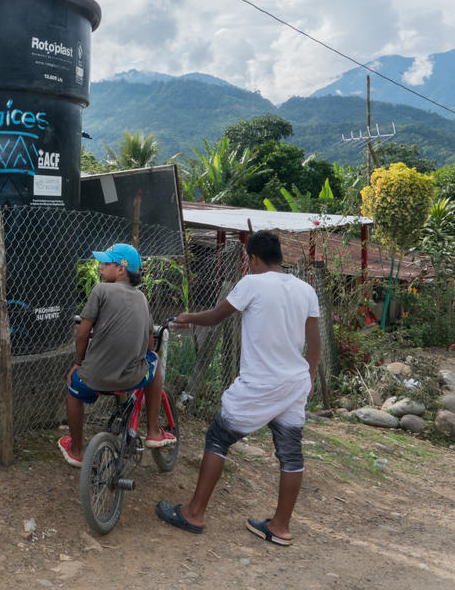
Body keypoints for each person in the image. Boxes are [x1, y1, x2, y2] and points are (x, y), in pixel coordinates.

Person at [155, 230, 321, 547]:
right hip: (294, 383)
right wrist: (309, 377)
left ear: (253, 259)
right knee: (291, 454)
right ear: (281, 258)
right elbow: (314, 342)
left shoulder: (251, 283)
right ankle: (281, 527)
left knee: (219, 436)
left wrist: (188, 317)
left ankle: (194, 513)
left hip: (260, 383)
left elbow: (216, 316)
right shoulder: (306, 290)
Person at [58, 243, 175, 466]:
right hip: (132, 378)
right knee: (155, 360)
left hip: (92, 378)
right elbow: (149, 345)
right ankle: (152, 431)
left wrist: (78, 363)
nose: (100, 267)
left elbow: (82, 335)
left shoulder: (100, 290)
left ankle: (76, 450)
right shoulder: (142, 298)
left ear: (121, 268)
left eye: (106, 263)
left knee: (73, 391)